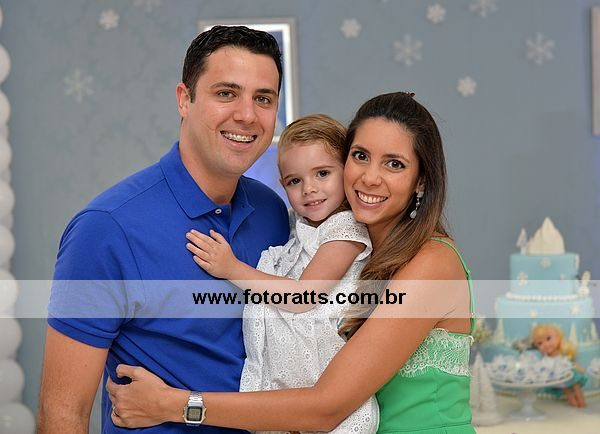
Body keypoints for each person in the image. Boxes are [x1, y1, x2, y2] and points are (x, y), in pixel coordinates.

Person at [107, 91, 476, 433]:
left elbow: (326, 407)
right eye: (361, 156)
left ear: (421, 181)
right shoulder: (351, 254)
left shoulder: (431, 264)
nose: (370, 177)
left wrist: (173, 404)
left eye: (394, 164)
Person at [38, 26, 290, 434]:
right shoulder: (107, 228)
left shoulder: (273, 212)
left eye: (263, 98)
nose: (247, 115)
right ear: (184, 100)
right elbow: (62, 414)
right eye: (226, 93)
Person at [185, 113, 379, 433]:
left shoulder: (344, 230)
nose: (309, 189)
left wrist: (232, 268)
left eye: (322, 173)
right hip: (290, 388)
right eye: (294, 181)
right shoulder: (298, 225)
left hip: (327, 394)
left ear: (347, 171)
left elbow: (304, 296)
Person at [532, 324, 587, 407]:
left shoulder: (562, 352)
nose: (546, 344)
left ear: (558, 337)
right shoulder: (546, 359)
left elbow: (569, 362)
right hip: (559, 376)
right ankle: (575, 404)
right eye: (540, 343)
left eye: (548, 339)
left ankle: (582, 404)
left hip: (569, 372)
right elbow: (545, 368)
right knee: (566, 390)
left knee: (576, 386)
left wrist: (578, 367)